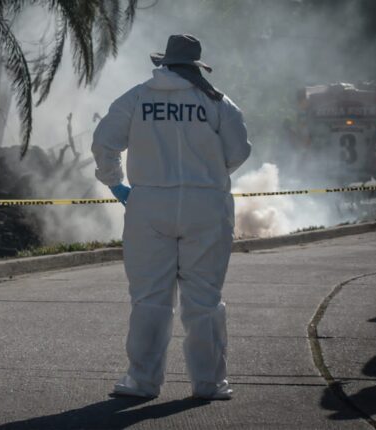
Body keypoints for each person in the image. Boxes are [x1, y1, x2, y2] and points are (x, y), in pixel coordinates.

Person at [91, 34, 251, 400]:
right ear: (195, 66)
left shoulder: (136, 97)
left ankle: (143, 381)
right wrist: (208, 170)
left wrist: (117, 185)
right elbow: (239, 151)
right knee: (205, 298)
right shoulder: (217, 101)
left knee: (149, 297)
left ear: (163, 63)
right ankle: (209, 384)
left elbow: (104, 143)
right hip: (206, 206)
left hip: (148, 204)